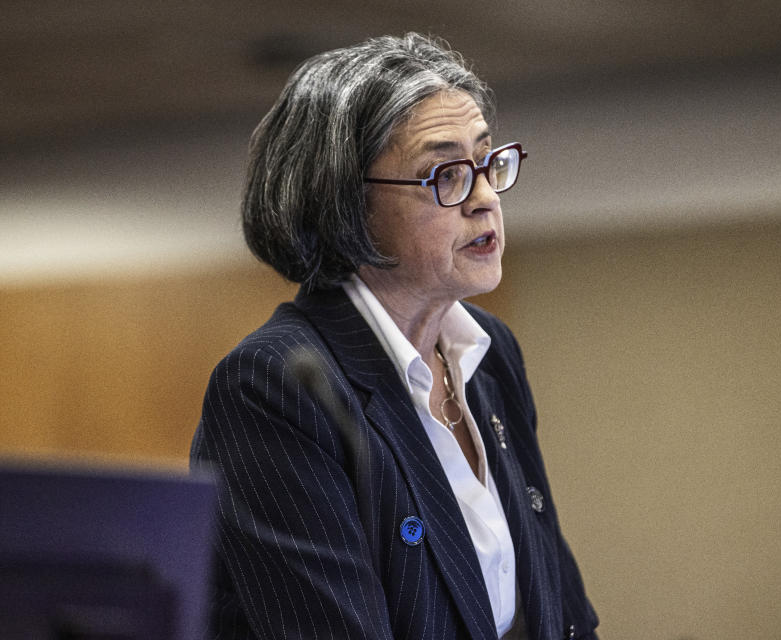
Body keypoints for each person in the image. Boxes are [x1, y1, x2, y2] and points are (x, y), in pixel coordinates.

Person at [191, 33, 598, 640]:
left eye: (488, 163)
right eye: (446, 174)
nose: (486, 199)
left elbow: (557, 606)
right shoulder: (275, 385)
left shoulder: (489, 353)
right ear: (345, 203)